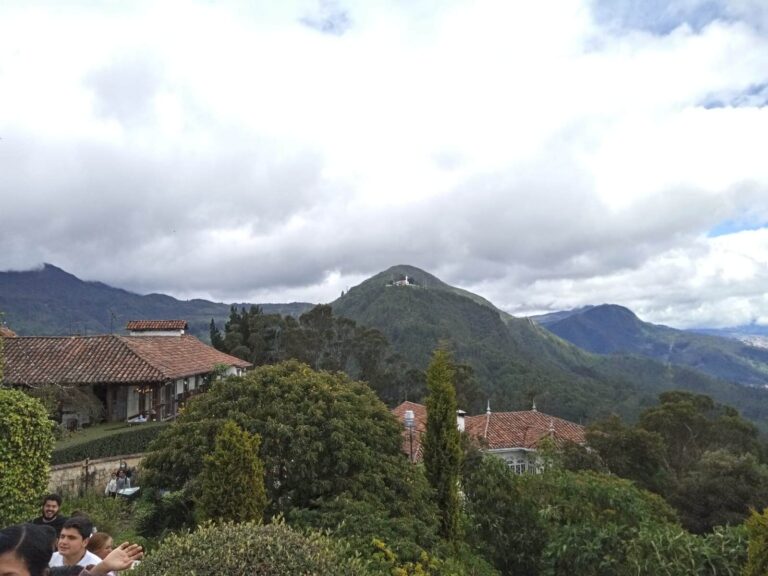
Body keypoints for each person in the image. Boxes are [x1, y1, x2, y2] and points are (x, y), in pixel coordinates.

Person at [0, 522, 143, 576]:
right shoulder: (53, 559)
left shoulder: (91, 564)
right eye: (62, 537)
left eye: (71, 538)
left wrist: (104, 567)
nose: (63, 542)